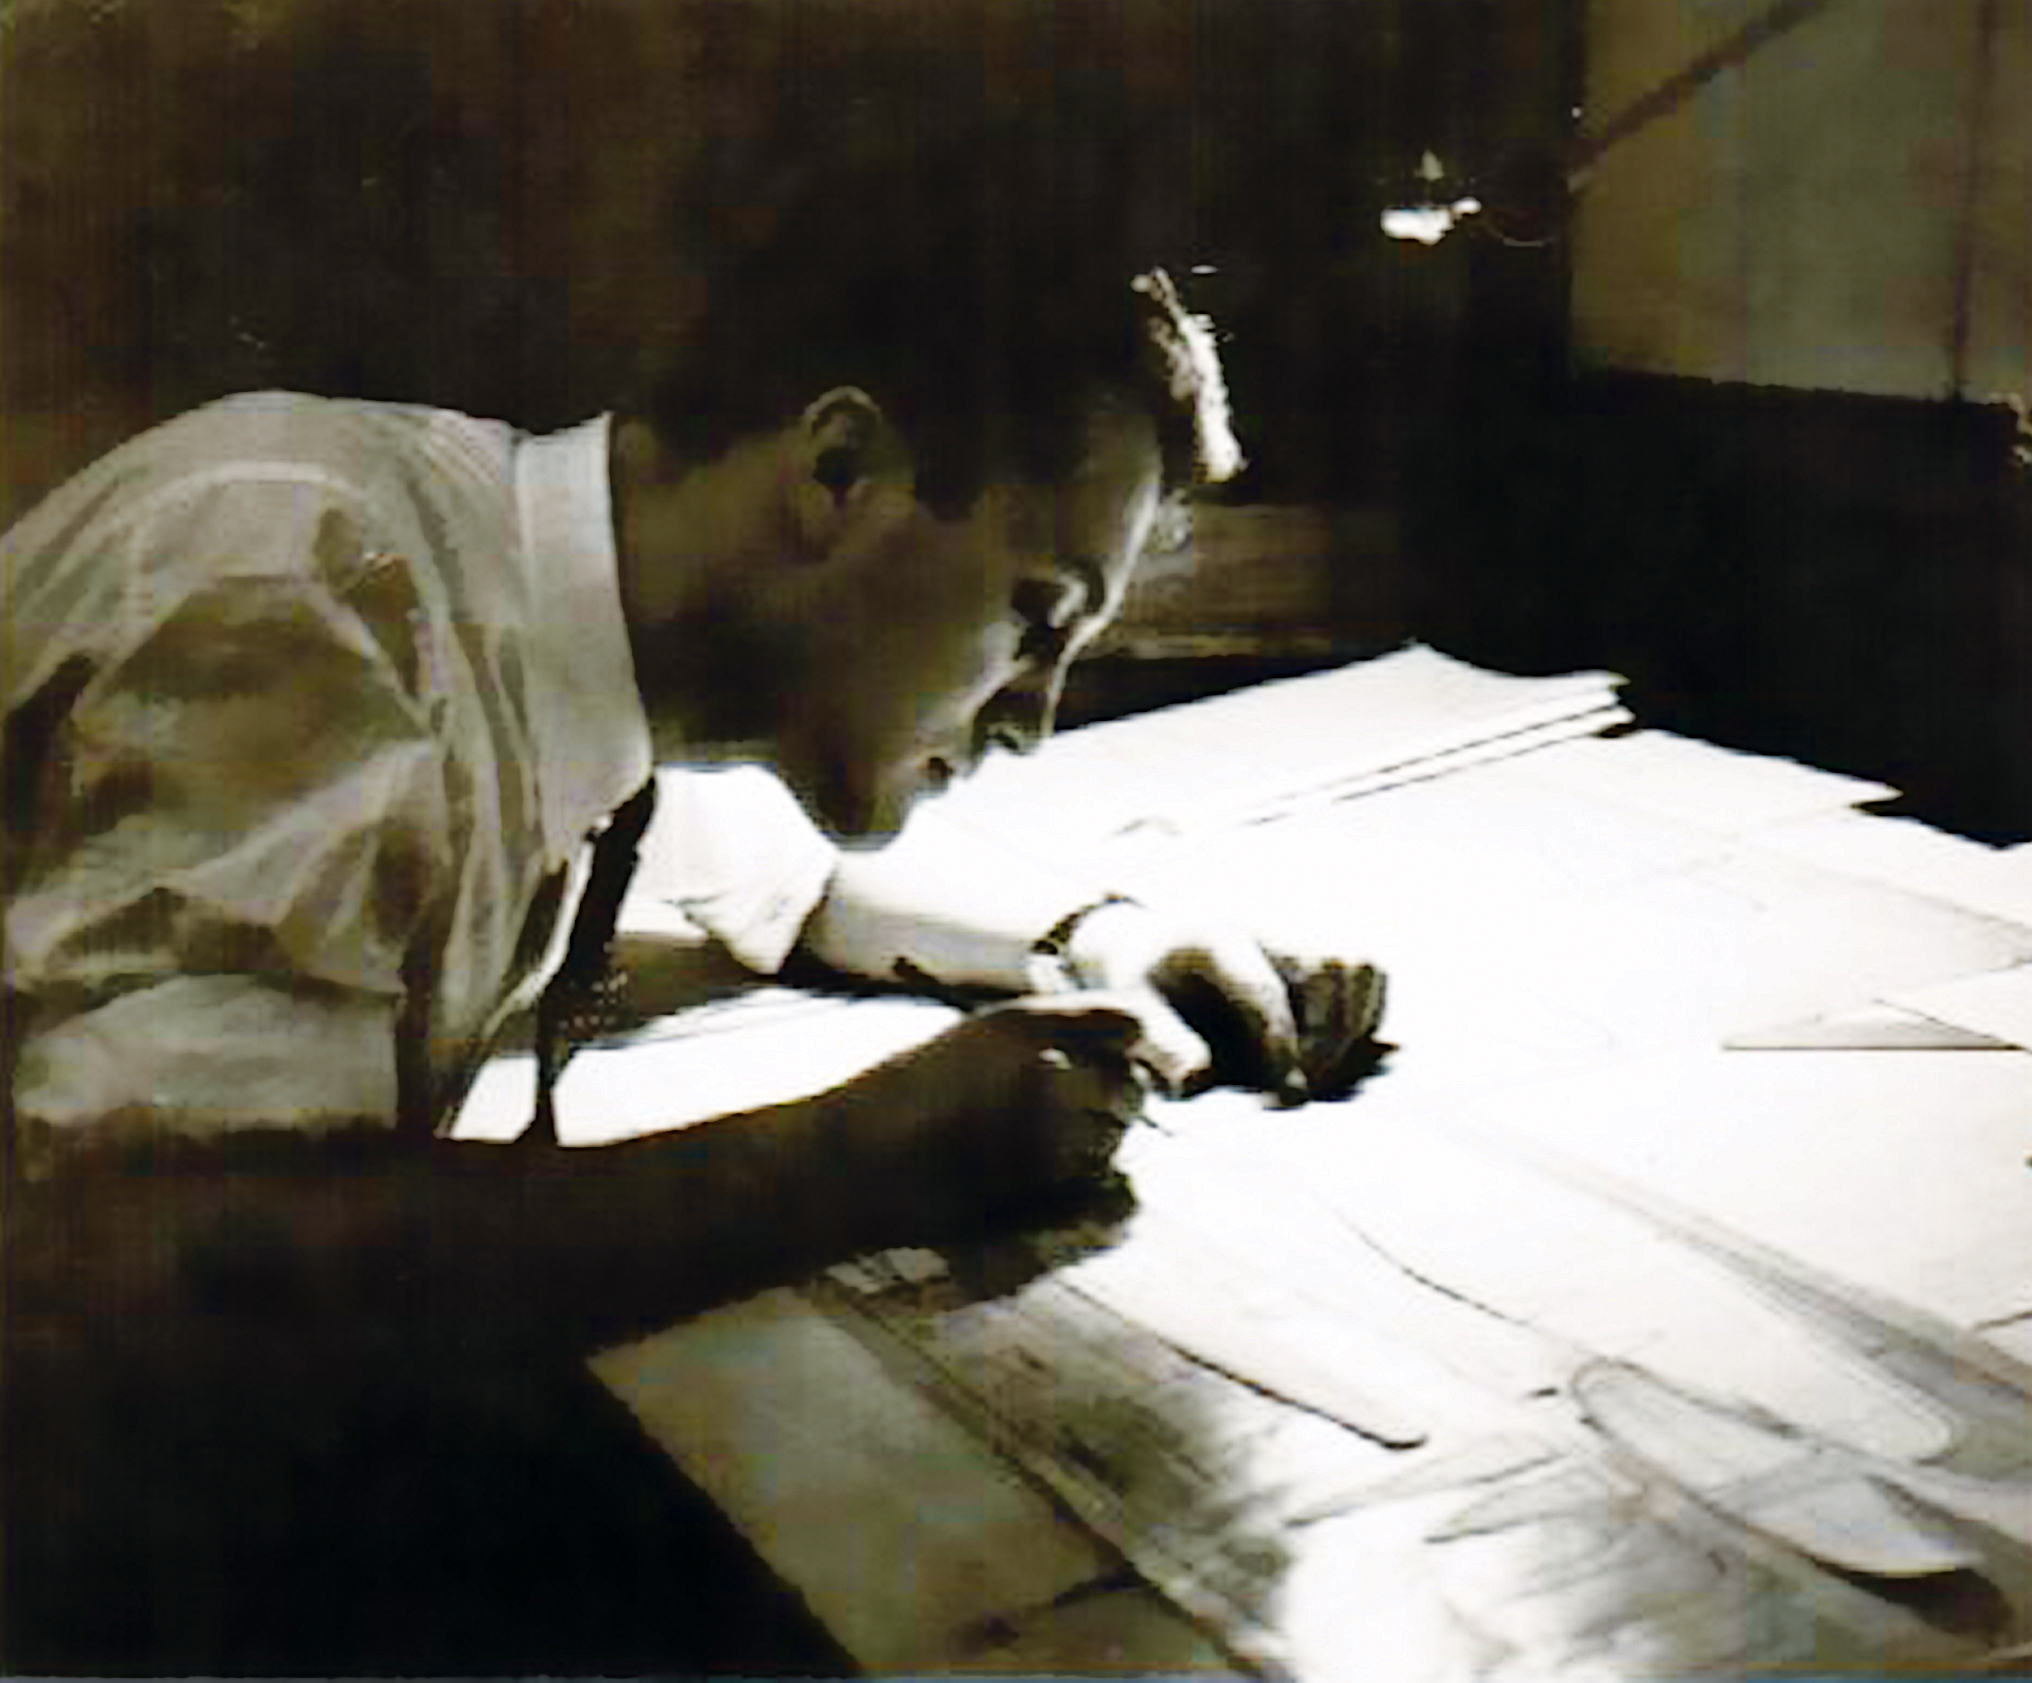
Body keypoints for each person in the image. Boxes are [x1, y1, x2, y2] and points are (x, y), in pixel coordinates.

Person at [0, 113, 1386, 1671]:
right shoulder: (306, 588)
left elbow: (794, 885)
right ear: (840, 470)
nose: (1033, 720)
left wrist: (1101, 934)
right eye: (1035, 617)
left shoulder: (548, 604)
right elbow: (166, 1291)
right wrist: (858, 1158)